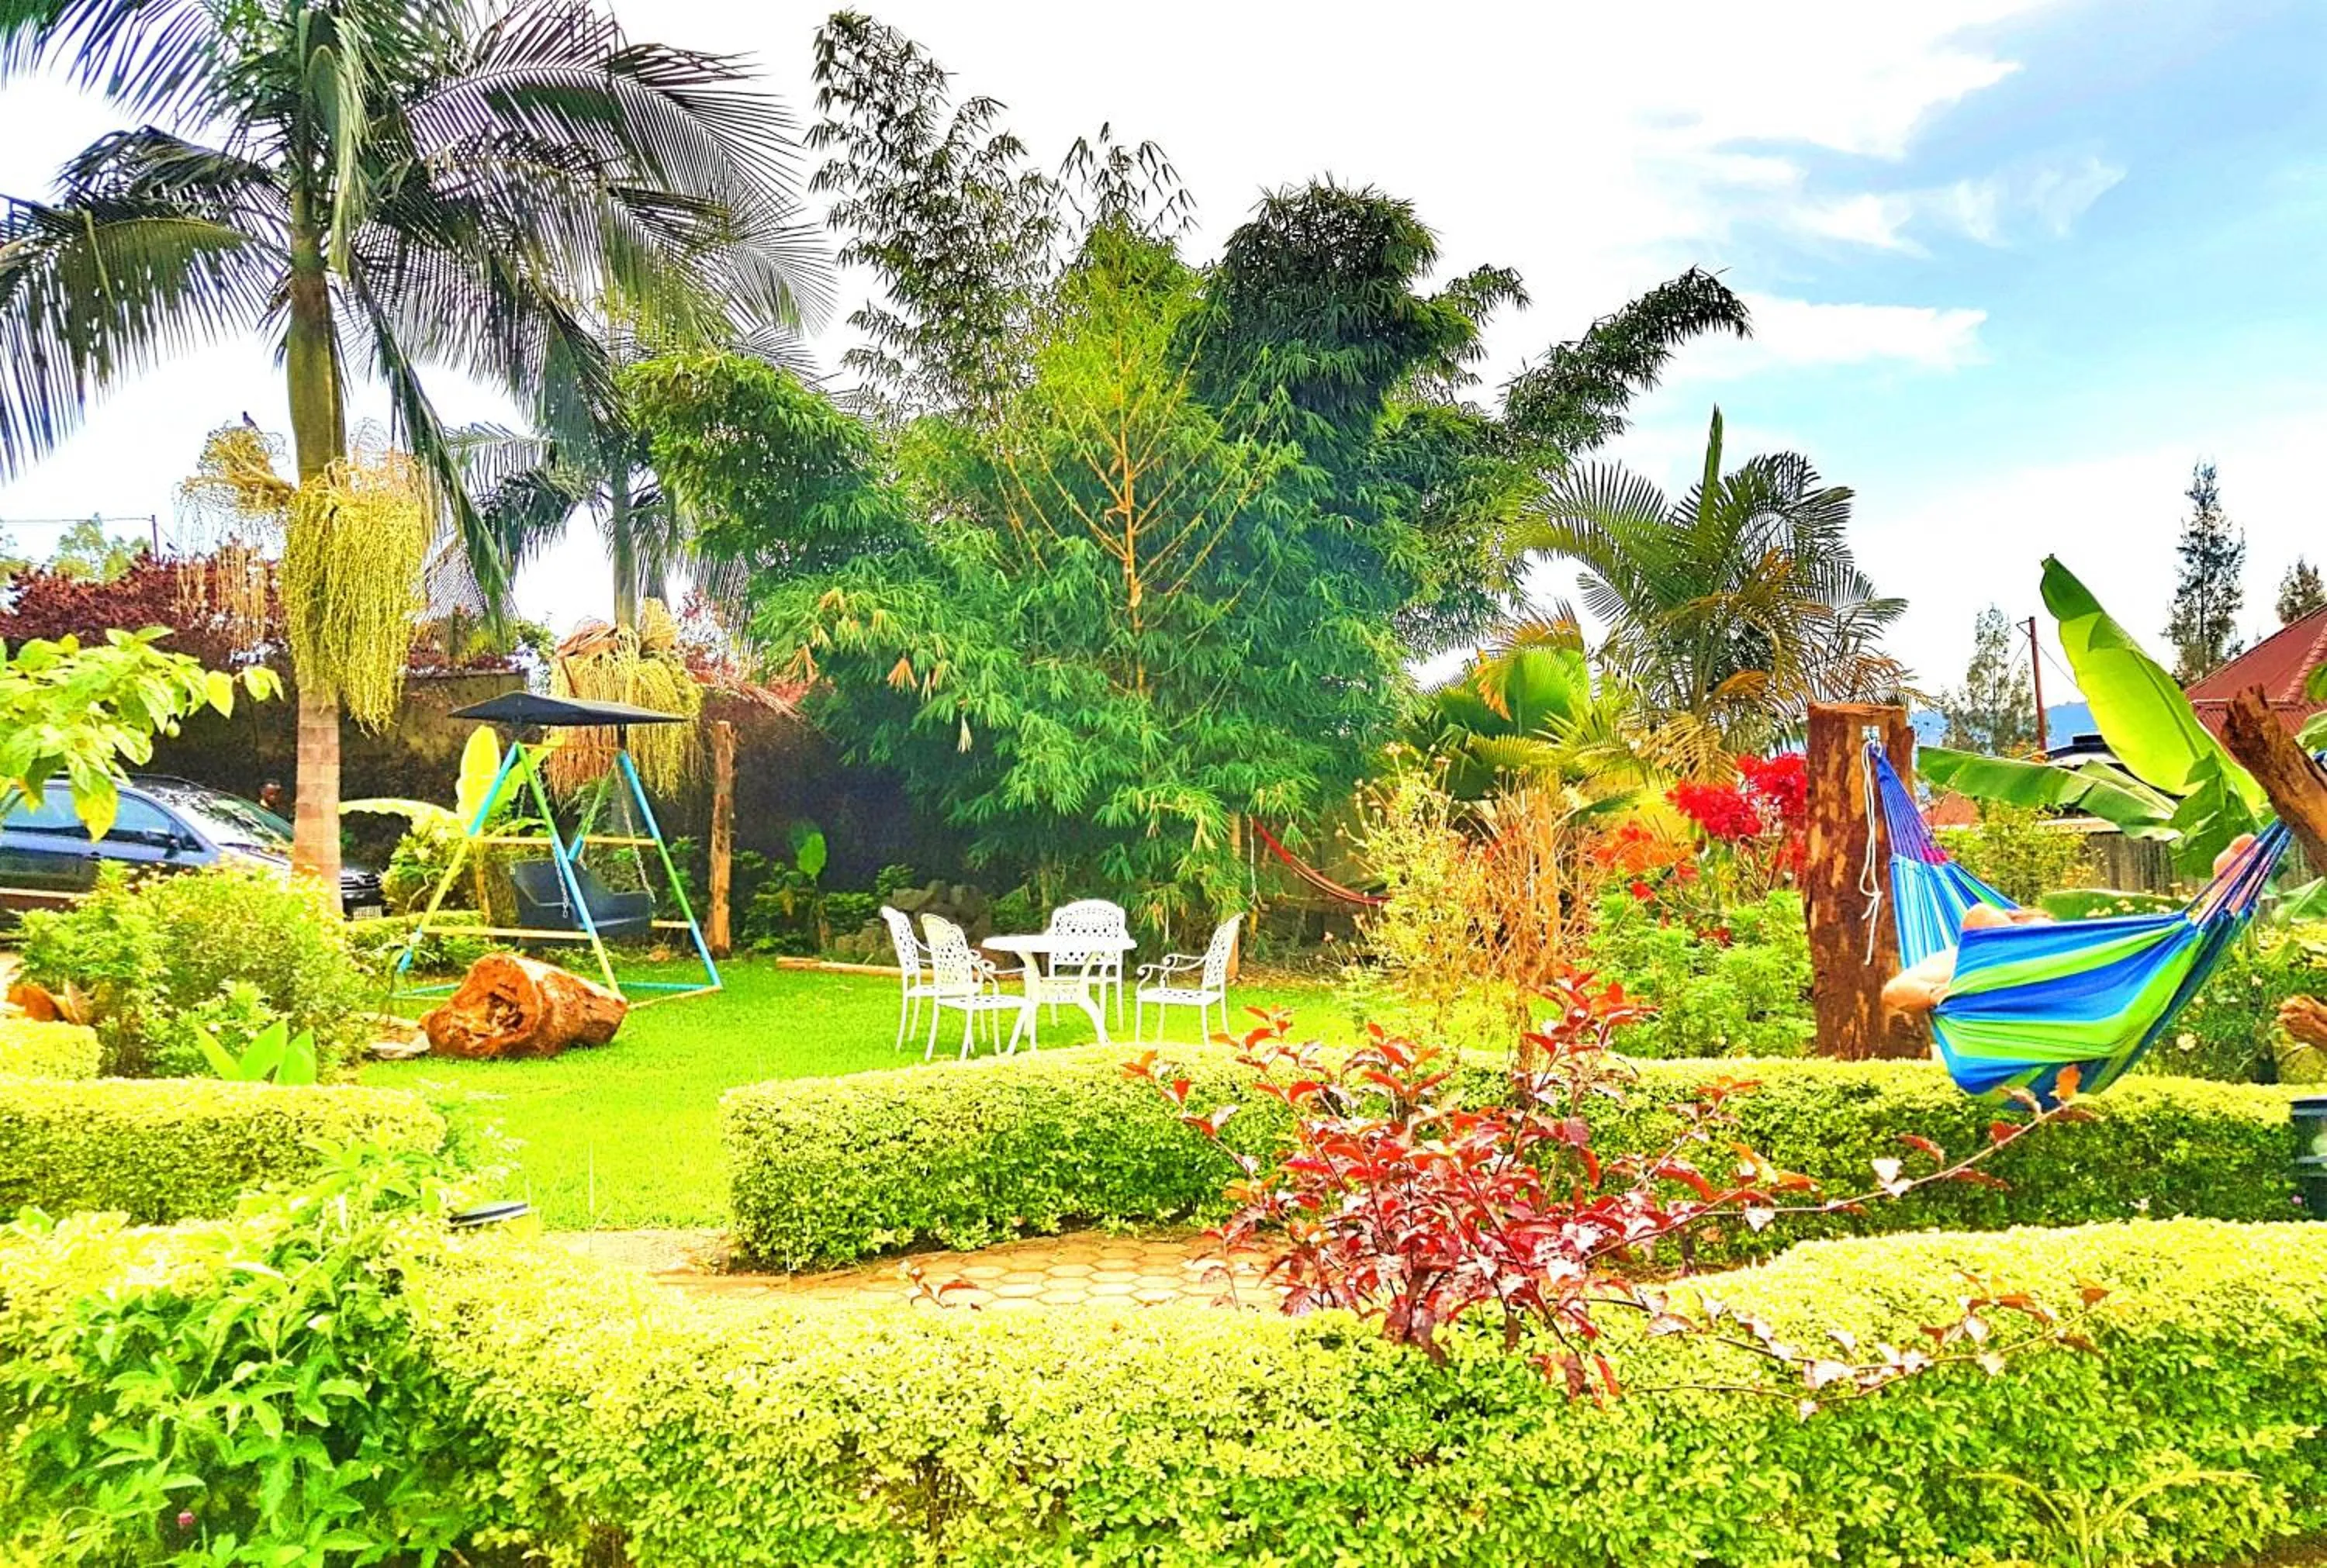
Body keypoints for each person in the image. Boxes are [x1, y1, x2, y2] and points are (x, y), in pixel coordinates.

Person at [1884, 831, 2263, 1017]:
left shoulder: (2073, 960)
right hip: (1991, 996)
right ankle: (2222, 898)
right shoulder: (1958, 960)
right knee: (1982, 914)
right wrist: (1946, 994)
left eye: (2036, 931)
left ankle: (2223, 900)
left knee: (2176, 951)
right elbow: (1895, 992)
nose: (2029, 933)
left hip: (2077, 996)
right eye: (2021, 929)